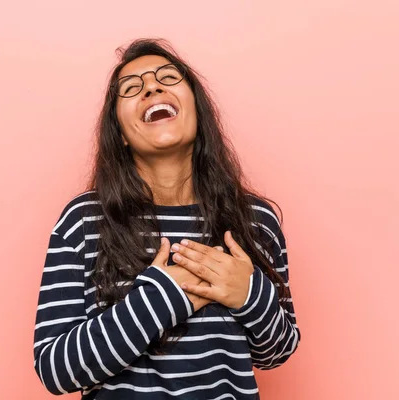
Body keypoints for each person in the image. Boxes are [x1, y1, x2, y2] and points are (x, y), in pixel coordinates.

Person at [32, 38, 300, 399]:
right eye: (131, 88)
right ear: (121, 134)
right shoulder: (84, 221)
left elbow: (276, 352)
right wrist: (164, 296)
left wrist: (248, 294)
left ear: (197, 109)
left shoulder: (255, 220)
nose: (152, 87)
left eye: (168, 77)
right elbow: (55, 370)